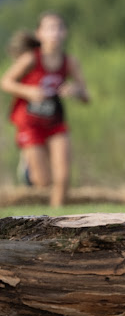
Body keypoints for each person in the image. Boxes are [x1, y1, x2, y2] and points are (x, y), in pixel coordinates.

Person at [0, 11, 90, 208]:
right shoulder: (31, 59)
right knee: (43, 181)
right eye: (49, 28)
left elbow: (86, 96)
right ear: (39, 34)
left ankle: (58, 219)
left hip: (55, 121)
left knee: (63, 177)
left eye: (58, 28)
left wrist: (75, 90)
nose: (54, 33)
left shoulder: (69, 62)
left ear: (64, 32)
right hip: (29, 123)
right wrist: (28, 91)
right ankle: (27, 167)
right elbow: (5, 82)